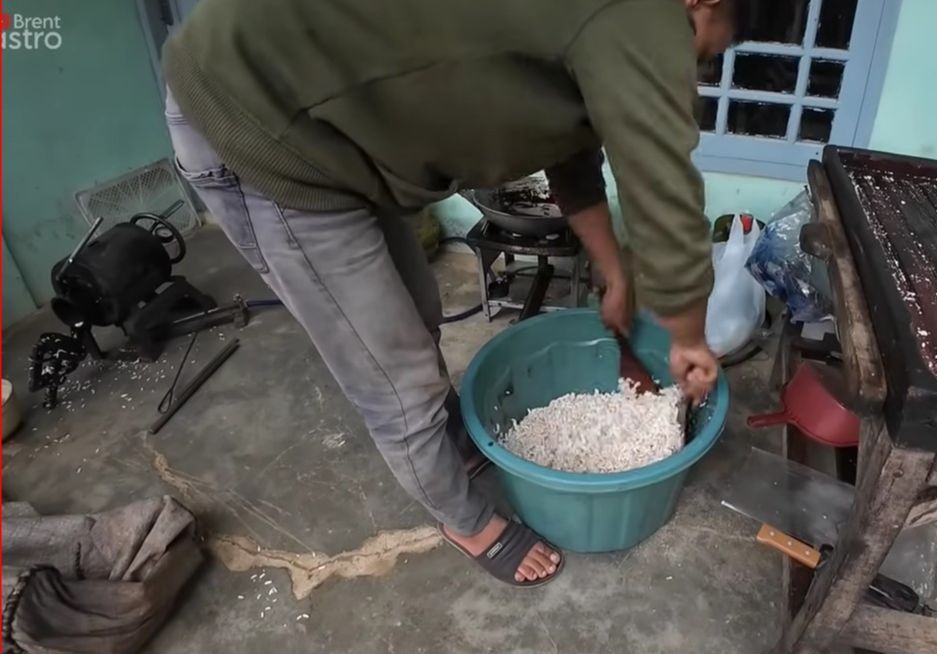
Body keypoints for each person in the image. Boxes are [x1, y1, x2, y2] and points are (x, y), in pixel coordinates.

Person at [162, 0, 740, 587]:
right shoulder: (639, 20)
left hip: (331, 128)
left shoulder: (596, 30)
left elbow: (571, 147)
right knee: (394, 377)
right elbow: (665, 204)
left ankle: (451, 444)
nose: (691, 66)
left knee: (418, 314)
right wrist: (687, 337)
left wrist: (614, 273)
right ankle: (465, 522)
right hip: (257, 124)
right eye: (706, 49)